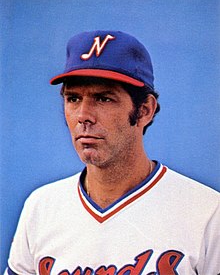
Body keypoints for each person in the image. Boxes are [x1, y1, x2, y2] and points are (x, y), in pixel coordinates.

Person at [5, 30, 220, 275]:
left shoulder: (207, 212)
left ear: (145, 110)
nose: (84, 115)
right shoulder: (41, 207)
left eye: (104, 99)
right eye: (73, 98)